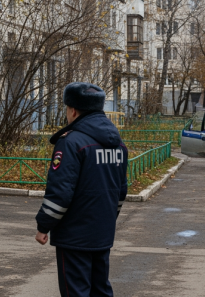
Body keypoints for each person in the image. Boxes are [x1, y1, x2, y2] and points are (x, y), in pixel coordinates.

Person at [35, 82, 128, 297]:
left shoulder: (71, 142)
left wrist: (43, 226)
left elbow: (60, 193)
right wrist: (107, 219)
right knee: (100, 289)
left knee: (75, 291)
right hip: (102, 233)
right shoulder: (118, 144)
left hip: (74, 236)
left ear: (73, 110)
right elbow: (120, 191)